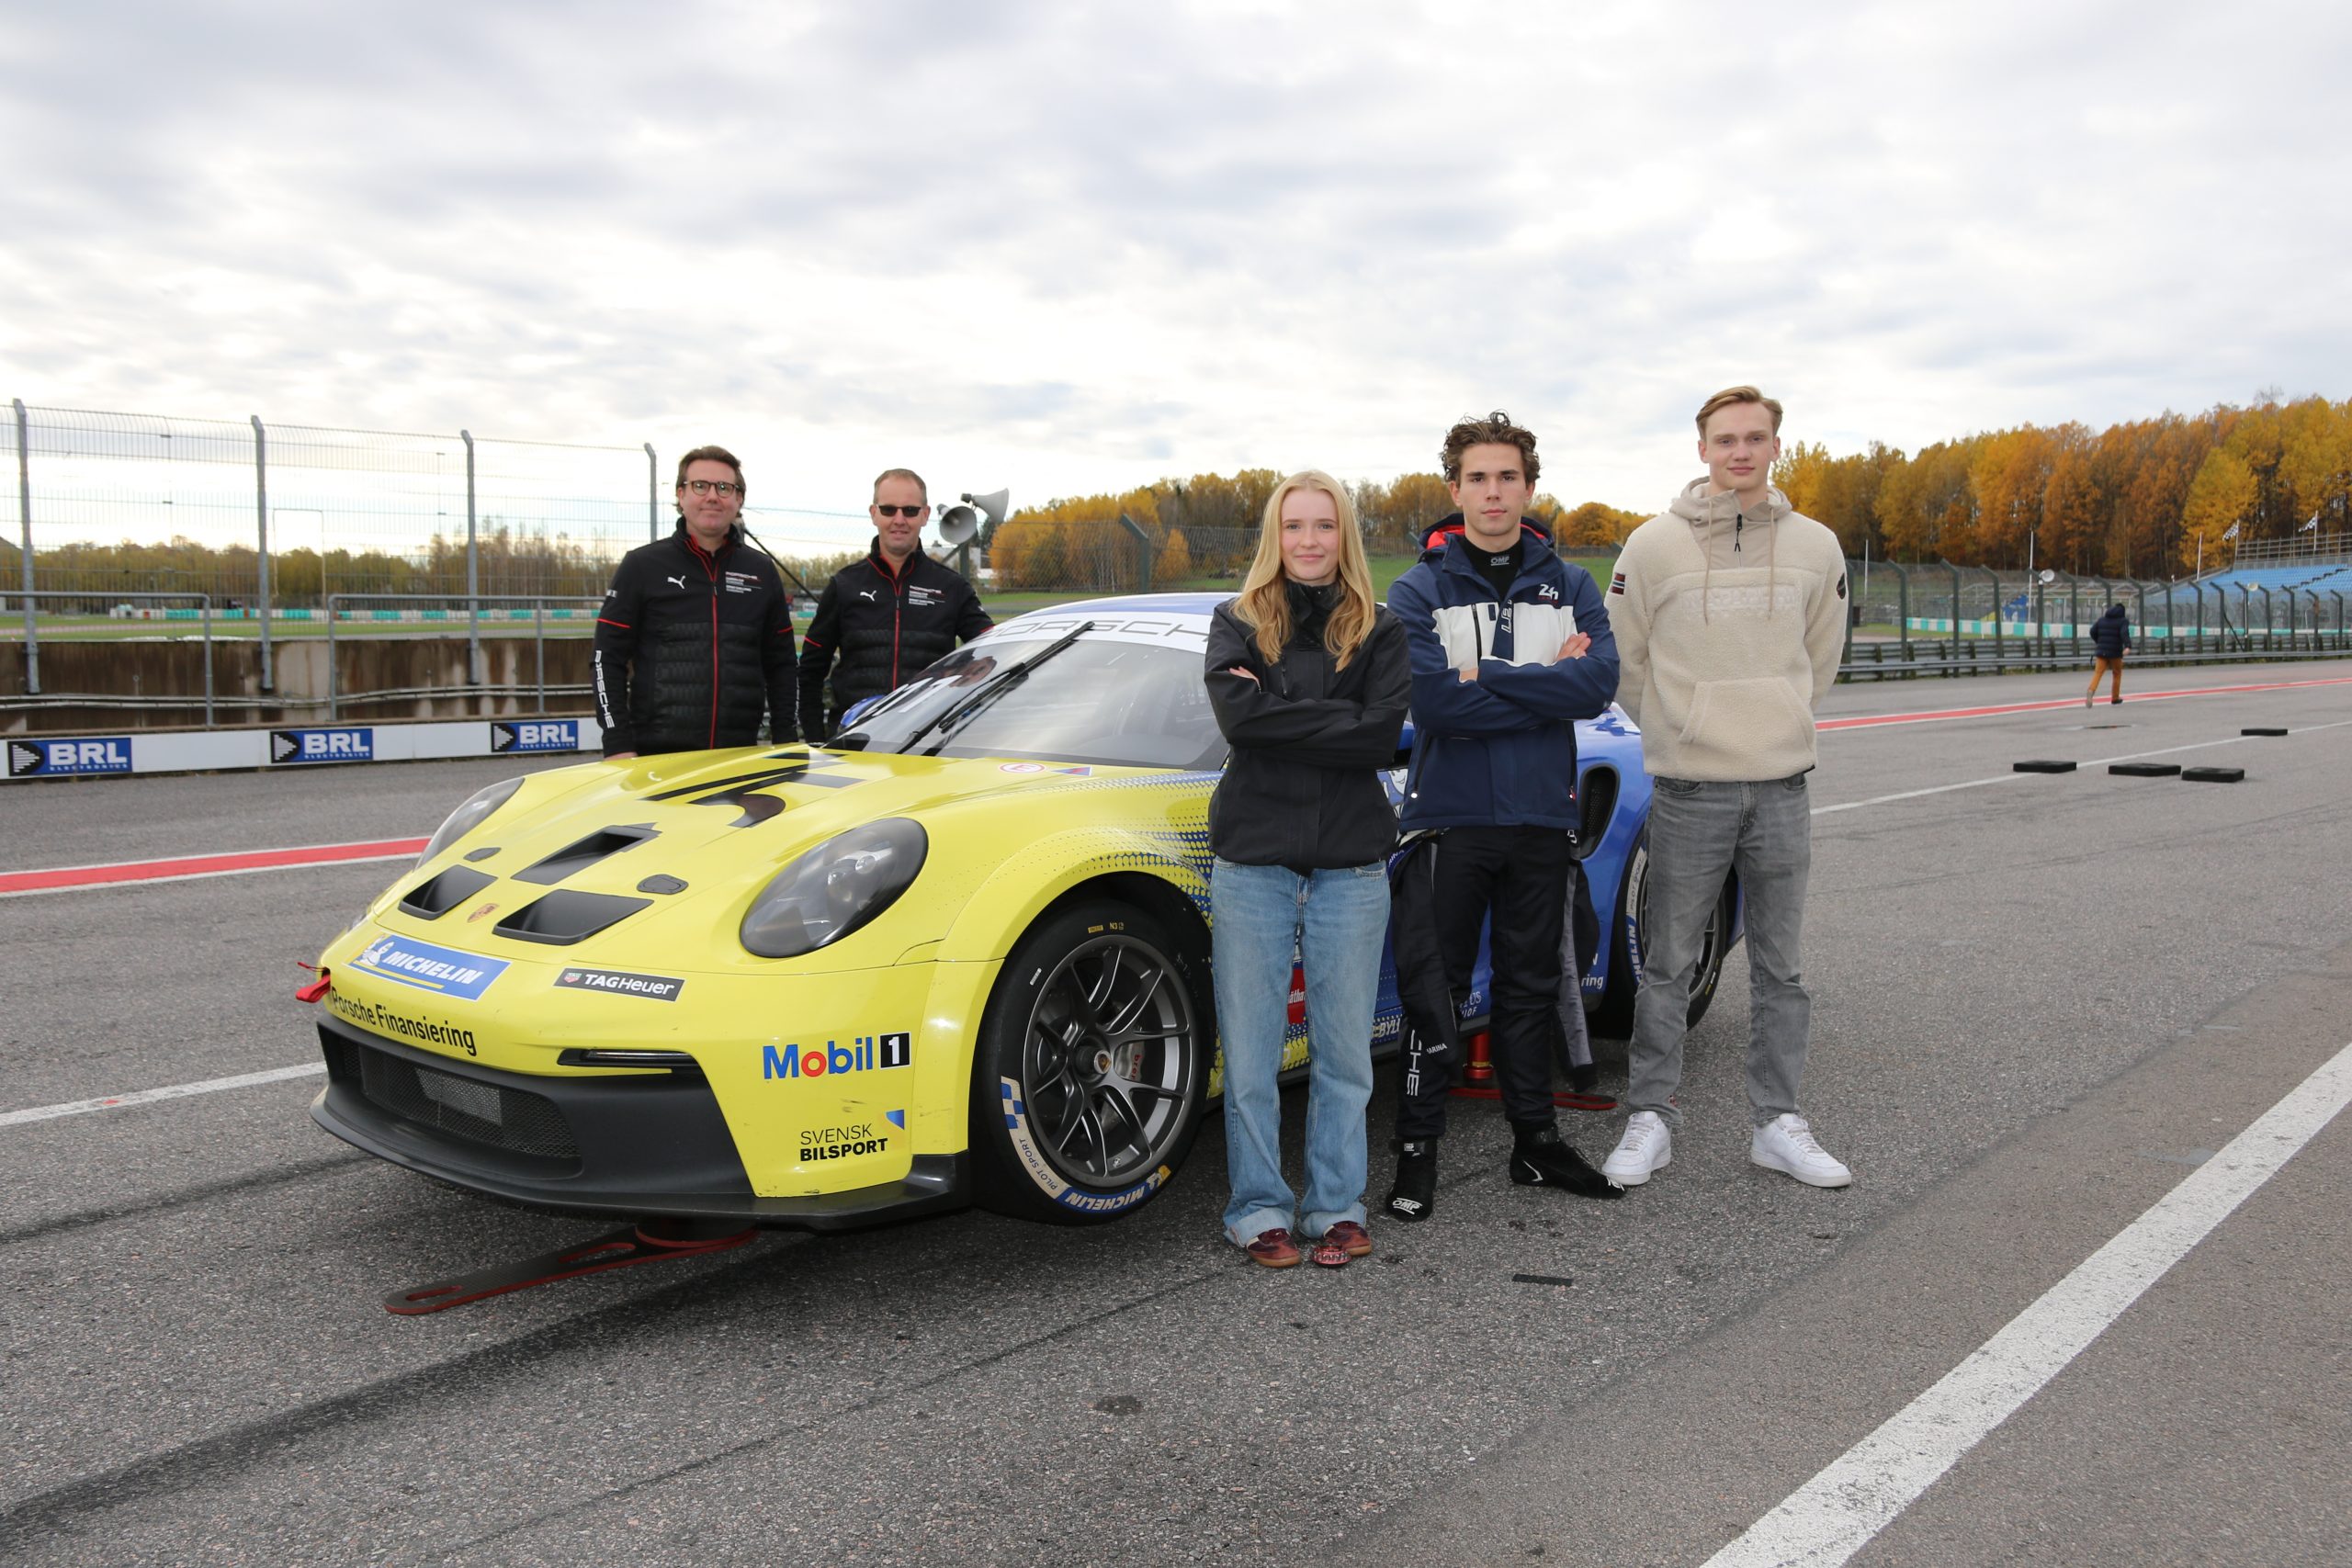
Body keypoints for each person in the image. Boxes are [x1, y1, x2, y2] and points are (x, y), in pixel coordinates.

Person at [1600, 386, 1853, 1190]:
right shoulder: (1651, 546)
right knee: (1667, 963)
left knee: (1783, 969)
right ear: (1702, 448)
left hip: (1781, 787)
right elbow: (1624, 659)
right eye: (1725, 439)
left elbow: (1821, 657)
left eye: (1755, 438)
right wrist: (1681, 726)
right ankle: (1651, 1117)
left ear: (1776, 446)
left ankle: (1777, 1122)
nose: (1740, 451)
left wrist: (1776, 718)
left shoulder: (1817, 546)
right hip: (1688, 788)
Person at [1382, 412, 1623, 1224]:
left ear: (1529, 486)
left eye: (1508, 477)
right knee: (1436, 994)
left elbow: (1596, 686)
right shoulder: (1418, 589)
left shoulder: (1573, 584)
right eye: (1478, 478)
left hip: (1539, 818)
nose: (1494, 492)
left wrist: (1483, 674)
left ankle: (1536, 1142)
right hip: (1450, 820)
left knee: (1529, 987)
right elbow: (1433, 704)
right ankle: (1418, 1152)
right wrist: (1541, 680)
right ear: (1455, 490)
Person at [1205, 470, 1411, 1269]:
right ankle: (1257, 1209)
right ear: (1275, 535)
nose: (1309, 540)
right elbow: (1239, 720)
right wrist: (1338, 718)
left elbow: (1379, 736)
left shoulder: (1381, 629)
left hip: (1350, 865)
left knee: (1344, 1056)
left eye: (1324, 525)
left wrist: (1277, 715)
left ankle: (1335, 1206)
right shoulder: (1235, 621)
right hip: (1253, 862)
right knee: (1252, 1055)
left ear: (1344, 535)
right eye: (1294, 526)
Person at [593, 446, 797, 759]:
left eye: (724, 487)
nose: (712, 496)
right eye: (700, 486)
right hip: (656, 757)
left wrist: (786, 740)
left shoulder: (761, 571)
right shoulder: (642, 566)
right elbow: (606, 658)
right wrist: (617, 742)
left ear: (739, 499)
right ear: (681, 495)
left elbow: (781, 663)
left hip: (738, 755)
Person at [797, 468, 993, 739]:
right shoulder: (844, 585)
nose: (899, 520)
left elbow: (994, 655)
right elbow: (810, 671)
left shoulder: (952, 587)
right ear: (874, 513)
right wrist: (814, 740)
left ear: (925, 515)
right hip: (852, 742)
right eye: (889, 510)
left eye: (910, 510)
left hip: (928, 743)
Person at [2086, 602, 2131, 705]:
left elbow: (2092, 631)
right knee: (2117, 673)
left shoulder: (2101, 620)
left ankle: (2091, 690)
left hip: (2101, 651)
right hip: (2115, 652)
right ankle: (2115, 698)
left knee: (2098, 673)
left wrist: (2099, 642)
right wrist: (2128, 646)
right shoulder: (2123, 621)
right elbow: (2124, 633)